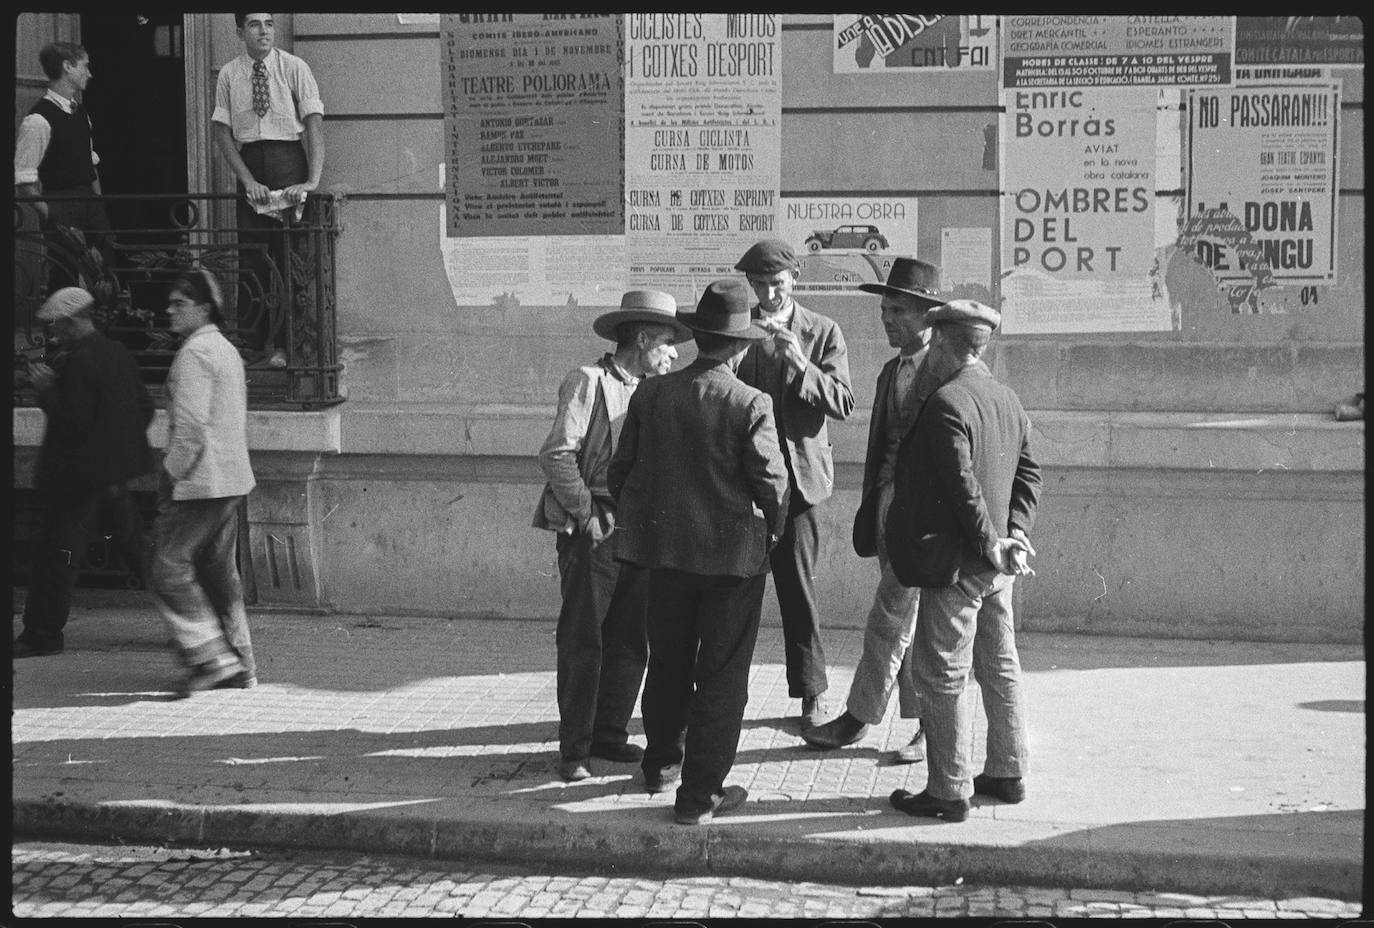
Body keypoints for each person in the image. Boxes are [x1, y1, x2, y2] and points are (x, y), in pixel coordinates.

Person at [608, 279, 790, 826]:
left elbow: (621, 472)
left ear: (698, 338)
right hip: (732, 562)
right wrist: (771, 537)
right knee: (722, 675)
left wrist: (650, 525)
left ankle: (661, 764)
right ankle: (700, 794)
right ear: (739, 345)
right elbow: (773, 486)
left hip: (665, 556)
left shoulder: (652, 392)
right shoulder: (750, 401)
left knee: (666, 664)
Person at [885, 299, 1042, 823]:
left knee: (941, 673)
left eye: (934, 342)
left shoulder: (947, 402)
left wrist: (989, 543)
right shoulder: (1007, 398)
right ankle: (1007, 769)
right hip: (997, 566)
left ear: (948, 343)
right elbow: (1029, 475)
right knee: (1000, 666)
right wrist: (1014, 535)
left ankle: (949, 790)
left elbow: (962, 489)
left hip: (959, 565)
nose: (927, 353)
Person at [533, 290, 692, 782]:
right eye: (666, 342)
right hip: (593, 530)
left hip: (637, 531)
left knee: (630, 640)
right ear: (640, 338)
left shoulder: (655, 389)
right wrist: (587, 514)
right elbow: (558, 454)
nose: (673, 353)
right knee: (584, 640)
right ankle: (574, 751)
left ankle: (609, 733)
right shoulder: (588, 381)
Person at [802, 259, 948, 762]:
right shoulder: (891, 372)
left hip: (927, 520)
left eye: (899, 310)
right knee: (907, 621)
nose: (887, 319)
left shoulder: (947, 369)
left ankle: (862, 718)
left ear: (928, 314)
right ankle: (927, 726)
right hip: (889, 511)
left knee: (899, 619)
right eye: (885, 309)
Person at [733, 238, 855, 730]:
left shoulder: (823, 330)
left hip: (802, 486)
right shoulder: (740, 328)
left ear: (796, 279)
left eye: (777, 284)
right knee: (734, 592)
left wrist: (802, 364)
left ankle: (811, 693)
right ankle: (725, 695)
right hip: (746, 483)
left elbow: (844, 402)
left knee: (798, 592)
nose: (768, 294)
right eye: (759, 285)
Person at [14, 287, 155, 659]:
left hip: (78, 482)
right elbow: (144, 408)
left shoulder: (79, 362)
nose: (52, 333)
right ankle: (192, 620)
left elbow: (73, 423)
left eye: (56, 325)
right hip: (111, 477)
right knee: (138, 553)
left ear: (73, 320)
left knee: (56, 557)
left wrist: (46, 390)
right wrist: (114, 451)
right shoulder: (117, 353)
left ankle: (41, 634)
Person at [149, 268, 258, 696]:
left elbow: (191, 428)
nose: (169, 310)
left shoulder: (195, 354)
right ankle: (242, 663)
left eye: (179, 303)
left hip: (199, 479)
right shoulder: (224, 349)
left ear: (203, 307)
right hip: (229, 478)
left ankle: (213, 659)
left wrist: (170, 472)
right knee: (218, 573)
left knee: (167, 568)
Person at [212, 12, 326, 368]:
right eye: (254, 25)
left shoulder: (294, 68)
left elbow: (313, 128)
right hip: (252, 168)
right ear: (239, 31)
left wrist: (310, 181)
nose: (264, 31)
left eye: (269, 23)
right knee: (253, 260)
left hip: (289, 162)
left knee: (295, 260)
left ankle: (294, 348)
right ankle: (254, 347)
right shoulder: (230, 74)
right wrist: (247, 181)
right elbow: (222, 134)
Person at [13, 42, 113, 272]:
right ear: (68, 67)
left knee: (107, 271)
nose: (90, 73)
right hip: (60, 205)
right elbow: (24, 184)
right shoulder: (38, 120)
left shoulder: (80, 113)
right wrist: (55, 217)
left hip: (91, 204)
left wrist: (98, 208)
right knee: (65, 275)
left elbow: (90, 164)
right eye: (85, 66)